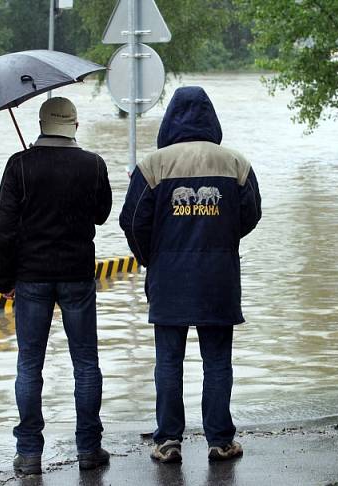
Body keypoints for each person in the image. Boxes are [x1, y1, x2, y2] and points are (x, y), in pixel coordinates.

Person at [119, 86, 262, 464]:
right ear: (211, 119)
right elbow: (251, 215)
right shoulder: (236, 164)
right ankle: (220, 441)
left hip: (169, 280)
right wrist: (221, 238)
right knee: (217, 362)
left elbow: (132, 222)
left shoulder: (153, 165)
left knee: (168, 362)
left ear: (169, 121)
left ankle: (168, 441)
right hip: (219, 279)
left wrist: (153, 258)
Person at [0, 97, 113, 475]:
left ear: (41, 125)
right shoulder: (93, 164)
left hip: (31, 278)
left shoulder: (19, 165)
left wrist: (4, 278)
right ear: (75, 126)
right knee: (86, 364)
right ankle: (89, 450)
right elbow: (102, 214)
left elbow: (4, 230)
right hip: (77, 275)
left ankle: (29, 454)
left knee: (29, 366)